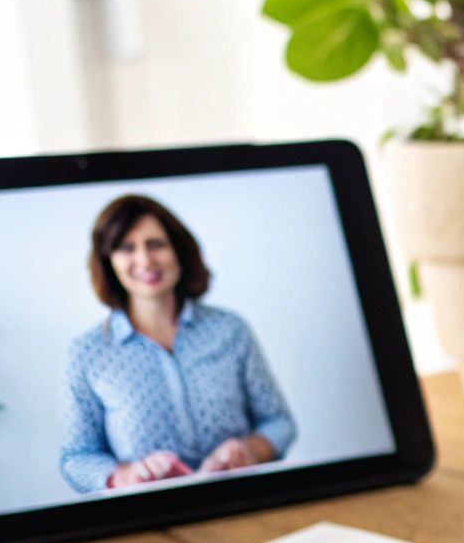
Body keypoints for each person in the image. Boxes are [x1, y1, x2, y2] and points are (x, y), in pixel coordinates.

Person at [60, 195, 296, 492]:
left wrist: (250, 450)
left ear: (178, 250)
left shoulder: (230, 330)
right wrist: (125, 475)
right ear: (108, 261)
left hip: (241, 501)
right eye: (126, 247)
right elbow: (75, 458)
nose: (145, 260)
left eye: (156, 244)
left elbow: (279, 423)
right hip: (150, 518)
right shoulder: (87, 353)